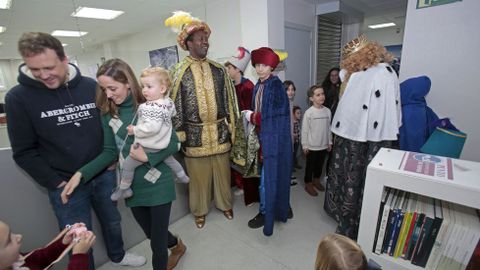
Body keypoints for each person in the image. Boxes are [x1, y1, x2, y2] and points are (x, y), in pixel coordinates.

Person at [4, 32, 145, 268]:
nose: (43, 75)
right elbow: (23, 152)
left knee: (112, 221)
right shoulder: (18, 98)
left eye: (49, 67)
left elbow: (108, 126)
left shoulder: (91, 86)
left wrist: (112, 160)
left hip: (103, 174)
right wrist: (56, 182)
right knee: (76, 238)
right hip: (65, 185)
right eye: (35, 69)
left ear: (65, 59)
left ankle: (118, 256)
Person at [60, 59, 186, 270]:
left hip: (159, 181)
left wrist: (148, 158)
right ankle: (177, 245)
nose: (108, 94)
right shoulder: (109, 115)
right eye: (103, 89)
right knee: (152, 233)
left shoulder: (151, 106)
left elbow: (174, 143)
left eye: (112, 88)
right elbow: (110, 152)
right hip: (132, 185)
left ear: (128, 82)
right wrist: (80, 174)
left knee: (155, 244)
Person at [165, 11, 240, 229]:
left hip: (219, 132)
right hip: (193, 135)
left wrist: (232, 126)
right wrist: (179, 131)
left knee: (222, 173)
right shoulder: (178, 71)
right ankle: (199, 210)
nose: (204, 42)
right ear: (188, 43)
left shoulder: (218, 70)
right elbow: (175, 104)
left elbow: (228, 99)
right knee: (198, 178)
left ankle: (225, 204)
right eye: (199, 39)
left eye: (206, 38)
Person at [324, 35, 401, 240]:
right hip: (363, 136)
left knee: (357, 176)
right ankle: (347, 217)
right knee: (353, 176)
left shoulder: (378, 74)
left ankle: (352, 223)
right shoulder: (381, 72)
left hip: (363, 139)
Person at [110, 66, 189, 201]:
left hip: (149, 145)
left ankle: (124, 189)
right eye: (143, 86)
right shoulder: (168, 103)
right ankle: (182, 176)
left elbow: (151, 128)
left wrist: (134, 129)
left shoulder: (149, 107)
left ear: (162, 89)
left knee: (128, 165)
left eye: (149, 86)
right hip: (162, 143)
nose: (144, 90)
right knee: (170, 160)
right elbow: (173, 114)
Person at [245, 47, 292, 236]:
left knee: (267, 180)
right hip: (262, 138)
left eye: (264, 65)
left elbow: (273, 118)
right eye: (257, 65)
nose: (260, 68)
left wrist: (251, 117)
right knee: (268, 178)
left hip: (273, 140)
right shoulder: (259, 85)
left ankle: (267, 213)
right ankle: (279, 207)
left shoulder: (275, 86)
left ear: (272, 67)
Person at [224, 46, 260, 205]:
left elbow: (251, 110)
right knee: (237, 159)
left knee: (247, 159)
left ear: (237, 69)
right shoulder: (232, 86)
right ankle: (240, 184)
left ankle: (249, 187)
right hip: (235, 129)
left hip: (246, 129)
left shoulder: (248, 87)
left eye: (230, 68)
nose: (228, 71)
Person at [0, 221, 95, 270]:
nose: (19, 236)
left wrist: (63, 243)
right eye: (9, 240)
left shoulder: (16, 261)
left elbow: (41, 259)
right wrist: (79, 257)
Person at [301, 85, 331, 197]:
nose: (322, 96)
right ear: (311, 98)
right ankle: (308, 183)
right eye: (318, 95)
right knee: (310, 166)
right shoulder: (309, 113)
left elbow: (329, 128)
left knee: (320, 165)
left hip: (323, 145)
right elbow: (305, 131)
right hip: (312, 146)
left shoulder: (327, 111)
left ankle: (316, 180)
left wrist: (330, 142)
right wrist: (304, 145)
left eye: (322, 94)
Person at [284, 80, 299, 186]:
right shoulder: (283, 104)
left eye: (292, 89)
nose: (291, 92)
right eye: (288, 89)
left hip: (290, 135)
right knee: (286, 158)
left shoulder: (290, 102)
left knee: (289, 156)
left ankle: (288, 175)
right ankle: (286, 179)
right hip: (285, 137)